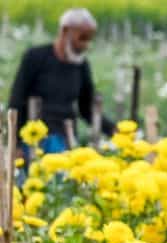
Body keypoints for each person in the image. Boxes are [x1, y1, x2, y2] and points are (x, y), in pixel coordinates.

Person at [8, 8, 113, 154]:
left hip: (66, 137)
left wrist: (114, 130)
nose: (85, 45)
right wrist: (16, 143)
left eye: (89, 39)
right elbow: (17, 100)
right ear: (65, 31)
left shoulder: (81, 66)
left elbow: (86, 108)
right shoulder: (35, 57)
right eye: (82, 38)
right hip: (35, 138)